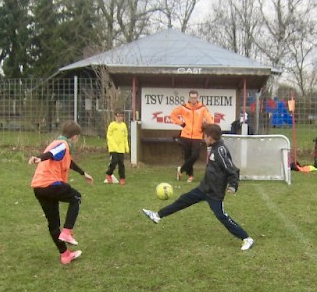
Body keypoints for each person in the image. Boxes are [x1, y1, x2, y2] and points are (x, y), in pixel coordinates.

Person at [142, 123, 254, 251]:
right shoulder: (213, 147)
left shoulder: (220, 150)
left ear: (210, 137)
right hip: (204, 188)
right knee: (183, 200)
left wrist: (233, 185)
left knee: (222, 216)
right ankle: (157, 215)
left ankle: (246, 238)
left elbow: (232, 169)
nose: (203, 139)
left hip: (214, 192)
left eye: (204, 136)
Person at [28, 120, 94, 264]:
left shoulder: (57, 142)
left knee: (53, 224)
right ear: (75, 136)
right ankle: (67, 232)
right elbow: (52, 154)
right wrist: (39, 158)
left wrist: (83, 173)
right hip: (51, 184)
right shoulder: (63, 145)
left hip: (38, 188)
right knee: (76, 197)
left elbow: (68, 162)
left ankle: (65, 255)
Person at [170, 89, 213, 183]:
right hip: (185, 135)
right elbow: (172, 115)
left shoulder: (202, 108)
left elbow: (210, 119)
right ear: (189, 98)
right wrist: (181, 123)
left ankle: (181, 170)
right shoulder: (184, 107)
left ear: (197, 98)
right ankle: (190, 175)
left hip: (197, 136)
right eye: (191, 97)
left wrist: (207, 125)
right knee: (187, 156)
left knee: (195, 155)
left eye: (195, 98)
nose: (193, 99)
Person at [104, 110, 129, 185]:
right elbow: (109, 136)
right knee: (114, 161)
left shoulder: (123, 125)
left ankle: (122, 178)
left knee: (121, 163)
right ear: (115, 116)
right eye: (119, 116)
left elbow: (125, 136)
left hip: (121, 148)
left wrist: (126, 146)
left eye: (122, 116)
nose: (120, 118)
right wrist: (114, 145)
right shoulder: (112, 125)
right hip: (113, 148)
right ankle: (109, 173)